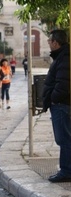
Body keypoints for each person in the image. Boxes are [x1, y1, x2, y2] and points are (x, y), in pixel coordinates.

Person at [42, 29, 71, 183]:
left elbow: (63, 83)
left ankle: (66, 171)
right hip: (62, 104)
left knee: (64, 139)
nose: (48, 43)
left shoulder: (64, 58)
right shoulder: (63, 56)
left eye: (49, 40)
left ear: (55, 42)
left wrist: (53, 99)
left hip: (61, 105)